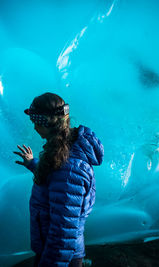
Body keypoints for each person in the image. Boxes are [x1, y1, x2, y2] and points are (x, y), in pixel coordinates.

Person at [14, 92, 104, 267]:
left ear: (47, 123)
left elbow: (63, 231)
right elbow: (56, 179)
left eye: (36, 123)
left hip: (60, 255)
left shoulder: (69, 171)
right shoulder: (66, 149)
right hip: (54, 249)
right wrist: (34, 164)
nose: (34, 128)